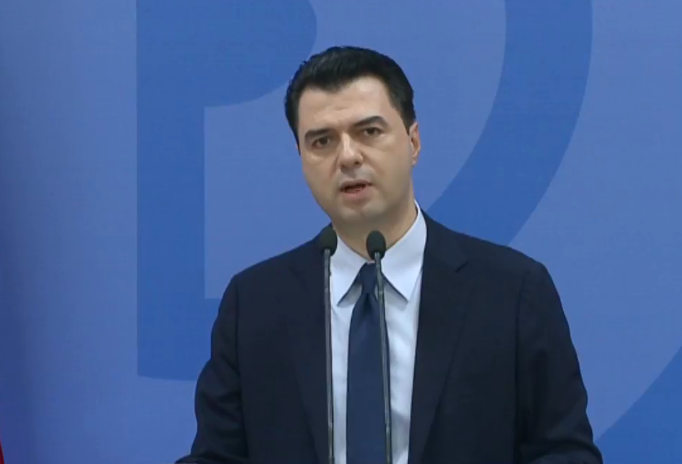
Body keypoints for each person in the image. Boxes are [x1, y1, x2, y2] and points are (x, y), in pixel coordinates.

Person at [176, 46, 603, 464]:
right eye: (322, 141)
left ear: (413, 142)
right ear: (302, 160)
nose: (348, 156)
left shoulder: (511, 292)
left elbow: (566, 452)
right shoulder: (255, 304)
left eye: (369, 132)